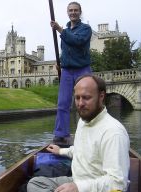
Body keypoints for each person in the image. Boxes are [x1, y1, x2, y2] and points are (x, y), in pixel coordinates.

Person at [27, 74, 130, 192]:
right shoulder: (83, 121)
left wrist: (79, 188)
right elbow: (81, 151)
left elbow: (118, 185)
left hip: (92, 188)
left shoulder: (113, 132)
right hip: (76, 180)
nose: (80, 103)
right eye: (77, 98)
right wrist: (60, 151)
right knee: (35, 183)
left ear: (101, 96)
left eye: (86, 97)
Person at [50, 2, 92, 146]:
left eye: (76, 10)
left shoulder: (85, 29)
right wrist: (60, 63)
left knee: (86, 102)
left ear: (80, 12)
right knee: (62, 103)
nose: (73, 12)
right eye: (71, 10)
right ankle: (61, 135)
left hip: (82, 69)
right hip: (67, 70)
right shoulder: (66, 30)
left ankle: (89, 133)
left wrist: (60, 30)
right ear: (68, 13)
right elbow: (65, 50)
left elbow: (78, 42)